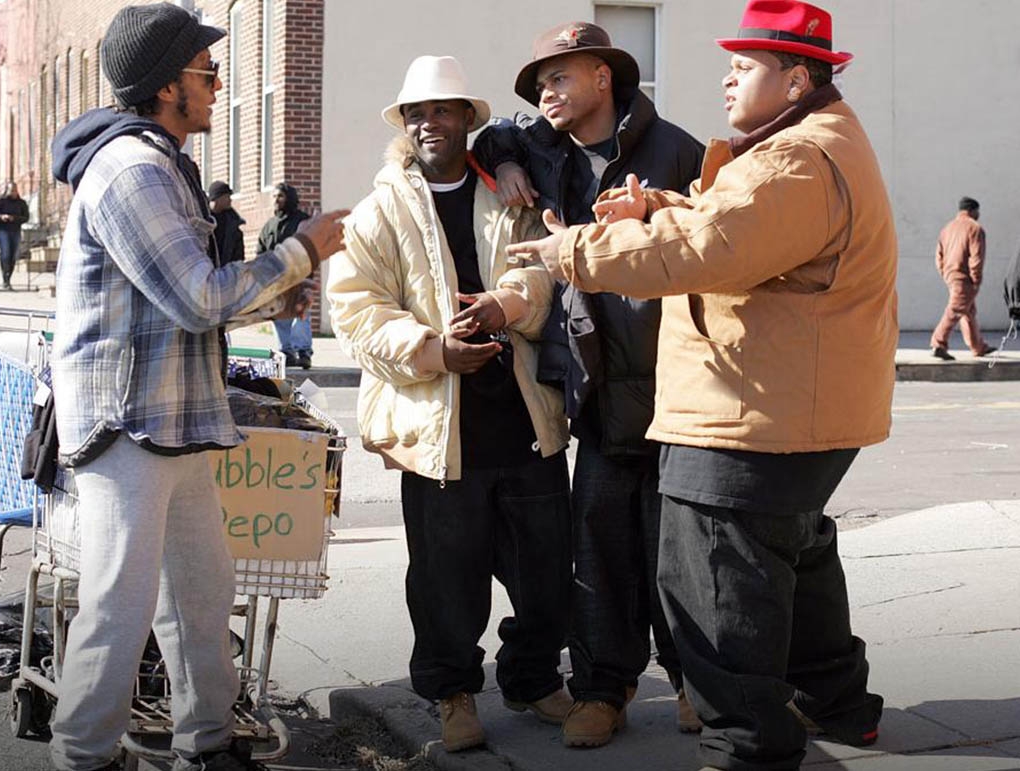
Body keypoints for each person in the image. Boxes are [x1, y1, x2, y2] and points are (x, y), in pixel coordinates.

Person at [507, 2, 891, 768]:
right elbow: (744, 230)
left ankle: (745, 747)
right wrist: (662, 204)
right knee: (796, 555)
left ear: (796, 79)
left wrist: (570, 249)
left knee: (715, 592)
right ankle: (840, 707)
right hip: (789, 409)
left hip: (750, 415)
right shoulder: (812, 143)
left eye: (746, 65)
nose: (727, 76)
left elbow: (708, 248)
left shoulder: (796, 158)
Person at [46, 4, 347, 770]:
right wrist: (301, 253)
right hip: (129, 424)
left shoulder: (157, 160)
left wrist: (272, 296)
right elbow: (198, 298)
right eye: (206, 73)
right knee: (120, 606)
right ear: (164, 86)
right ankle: (82, 755)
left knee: (201, 598)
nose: (217, 83)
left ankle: (207, 743)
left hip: (171, 417)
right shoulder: (133, 170)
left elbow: (194, 297)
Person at [326, 55, 572, 753]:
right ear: (404, 126)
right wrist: (435, 349)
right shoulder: (379, 211)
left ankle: (530, 677)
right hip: (437, 428)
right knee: (444, 575)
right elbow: (356, 311)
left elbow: (543, 272)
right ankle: (453, 691)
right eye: (417, 113)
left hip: (525, 419)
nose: (429, 123)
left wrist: (506, 306)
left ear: (469, 118)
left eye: (442, 110)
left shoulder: (509, 196)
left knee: (546, 567)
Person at [473, 21, 705, 746]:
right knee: (598, 545)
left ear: (604, 77)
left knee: (679, 550)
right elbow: (490, 133)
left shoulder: (680, 151)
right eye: (540, 82)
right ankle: (605, 688)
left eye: (560, 76)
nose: (546, 90)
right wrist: (506, 157)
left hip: (674, 389)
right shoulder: (545, 152)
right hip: (596, 391)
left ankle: (696, 679)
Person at [930, 197, 994, 359]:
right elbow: (976, 257)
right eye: (978, 211)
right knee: (955, 310)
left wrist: (945, 273)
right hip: (964, 276)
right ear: (973, 210)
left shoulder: (947, 228)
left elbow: (938, 256)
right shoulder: (975, 228)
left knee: (968, 311)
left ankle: (978, 347)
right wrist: (976, 280)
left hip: (950, 275)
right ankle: (938, 343)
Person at [257, 183, 313, 368]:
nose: (276, 200)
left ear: (289, 198)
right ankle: (286, 352)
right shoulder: (269, 226)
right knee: (280, 315)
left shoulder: (302, 221)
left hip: (299, 276)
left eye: (280, 196)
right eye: (275, 196)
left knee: (301, 314)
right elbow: (261, 252)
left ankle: (303, 351)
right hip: (277, 280)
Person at [0, 181, 30, 290]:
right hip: (4, 230)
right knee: (6, 255)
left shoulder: (21, 203)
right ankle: (5, 279)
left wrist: (15, 218)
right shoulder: (2, 202)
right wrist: (2, 217)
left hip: (16, 231)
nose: (13, 192)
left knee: (13, 256)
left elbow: (26, 217)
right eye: (11, 190)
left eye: (15, 190)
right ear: (7, 191)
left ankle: (9, 278)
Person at [208, 180, 245, 266]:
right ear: (217, 197)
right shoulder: (203, 219)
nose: (230, 200)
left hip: (227, 274)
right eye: (227, 196)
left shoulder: (233, 223)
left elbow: (238, 257)